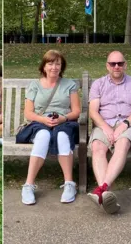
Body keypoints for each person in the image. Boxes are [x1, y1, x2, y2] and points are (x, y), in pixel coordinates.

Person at [15, 50, 81, 205]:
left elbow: (77, 111)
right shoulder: (35, 85)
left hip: (64, 122)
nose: (54, 67)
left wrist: (63, 118)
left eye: (58, 63)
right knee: (44, 135)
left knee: (62, 136)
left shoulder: (69, 84)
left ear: (62, 66)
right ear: (44, 66)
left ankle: (69, 184)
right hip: (40, 122)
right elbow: (29, 113)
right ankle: (28, 185)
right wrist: (43, 119)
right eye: (50, 63)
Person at [87, 51, 131, 214]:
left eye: (120, 63)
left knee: (123, 143)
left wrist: (124, 125)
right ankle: (106, 194)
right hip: (104, 123)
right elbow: (93, 111)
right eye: (113, 64)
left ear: (125, 65)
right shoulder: (98, 84)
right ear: (107, 66)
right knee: (97, 146)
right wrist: (105, 127)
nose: (117, 66)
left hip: (129, 125)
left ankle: (101, 190)